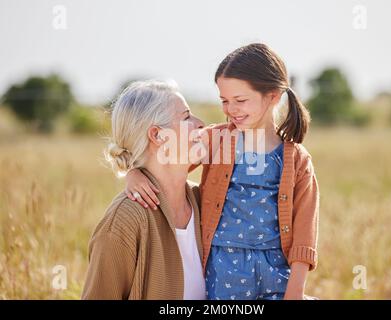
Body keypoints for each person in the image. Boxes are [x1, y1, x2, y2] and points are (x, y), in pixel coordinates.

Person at [126, 43, 320, 300]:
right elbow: (165, 158)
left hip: (276, 273)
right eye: (224, 101)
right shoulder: (217, 141)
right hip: (223, 273)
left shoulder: (297, 160)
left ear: (273, 95)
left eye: (240, 100)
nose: (230, 110)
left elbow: (305, 233)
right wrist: (134, 172)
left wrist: (295, 292)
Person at [82, 80, 207, 299]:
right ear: (158, 135)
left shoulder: (204, 201)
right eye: (186, 117)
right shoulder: (124, 221)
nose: (200, 123)